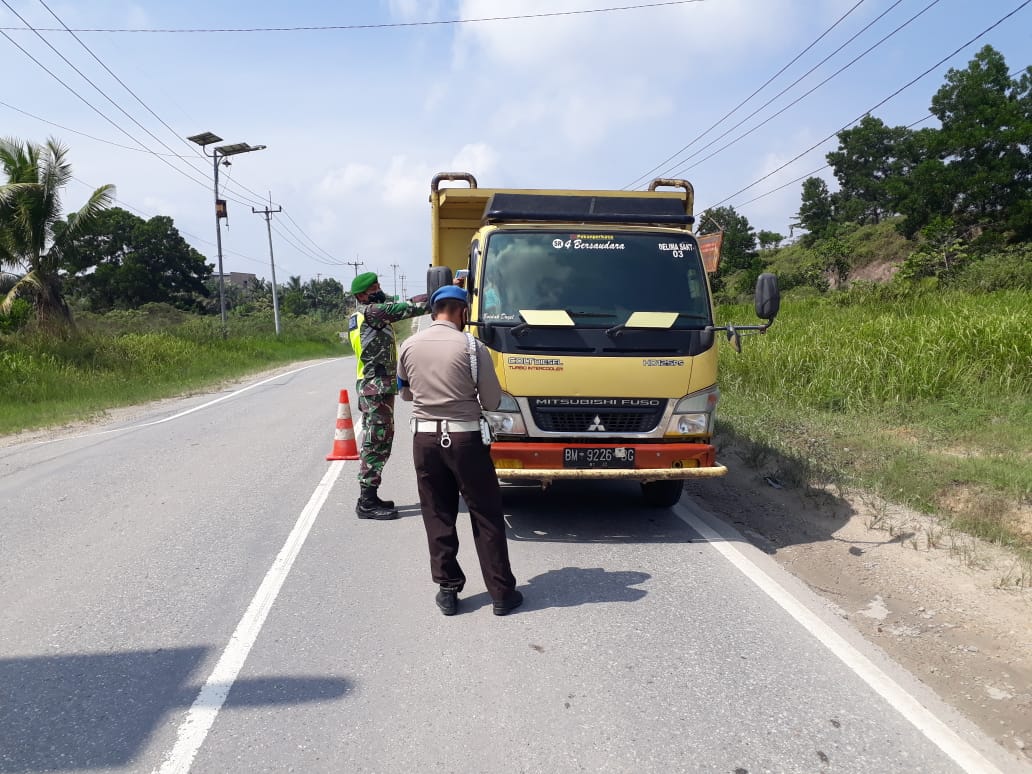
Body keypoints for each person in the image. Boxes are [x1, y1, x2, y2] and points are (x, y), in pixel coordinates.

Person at [397, 284, 522, 617]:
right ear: (463, 311)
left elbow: (406, 393)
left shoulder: (408, 346)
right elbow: (492, 401)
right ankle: (501, 594)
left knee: (437, 513)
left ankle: (448, 590)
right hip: (465, 440)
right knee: (486, 513)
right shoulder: (471, 346)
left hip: (424, 441)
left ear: (434, 311)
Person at [349, 272, 429, 520]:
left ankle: (370, 496)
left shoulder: (362, 314)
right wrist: (440, 296)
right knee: (376, 441)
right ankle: (367, 502)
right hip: (375, 387)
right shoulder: (372, 312)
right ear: (362, 294)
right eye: (374, 287)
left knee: (379, 439)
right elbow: (409, 307)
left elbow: (405, 300)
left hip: (374, 386)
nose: (379, 290)